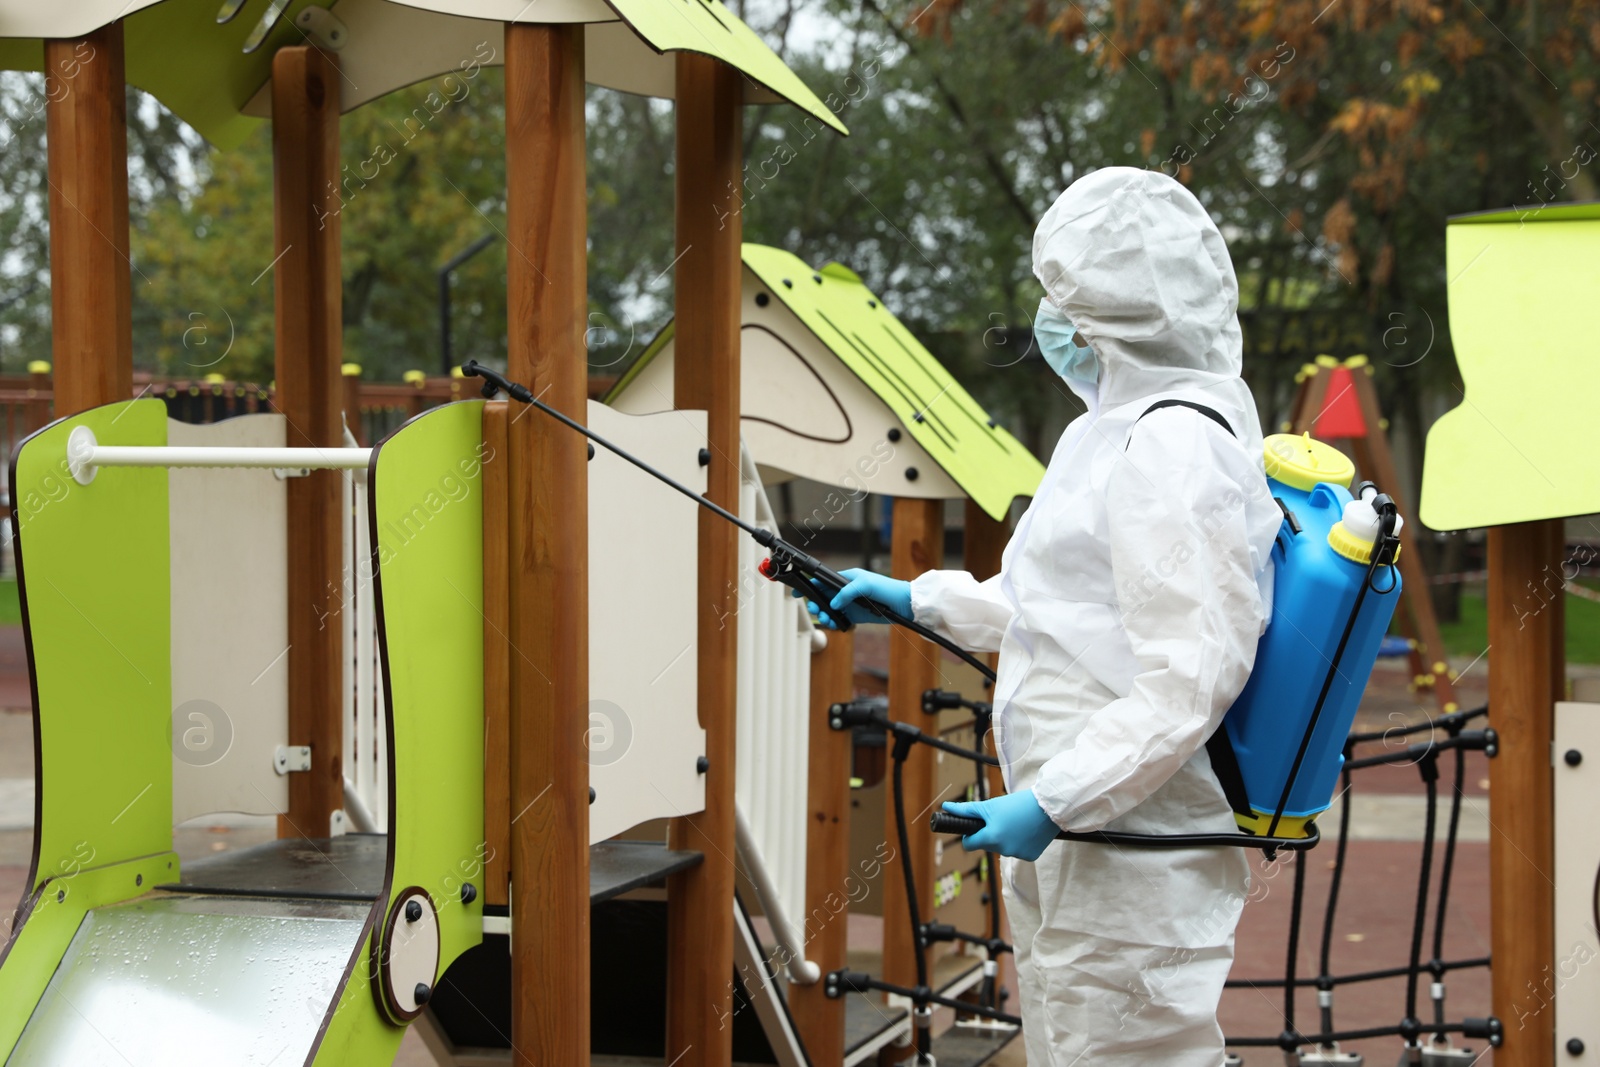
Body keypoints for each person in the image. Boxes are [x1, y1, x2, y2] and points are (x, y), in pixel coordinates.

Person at [812, 167, 1281, 1064]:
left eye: (1065, 296)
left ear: (1122, 311)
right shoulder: (1110, 429)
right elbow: (1062, 608)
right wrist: (918, 600)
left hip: (1130, 847)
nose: (1050, 317)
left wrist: (1055, 801)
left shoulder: (1174, 445)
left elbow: (1191, 675)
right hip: (1087, 839)